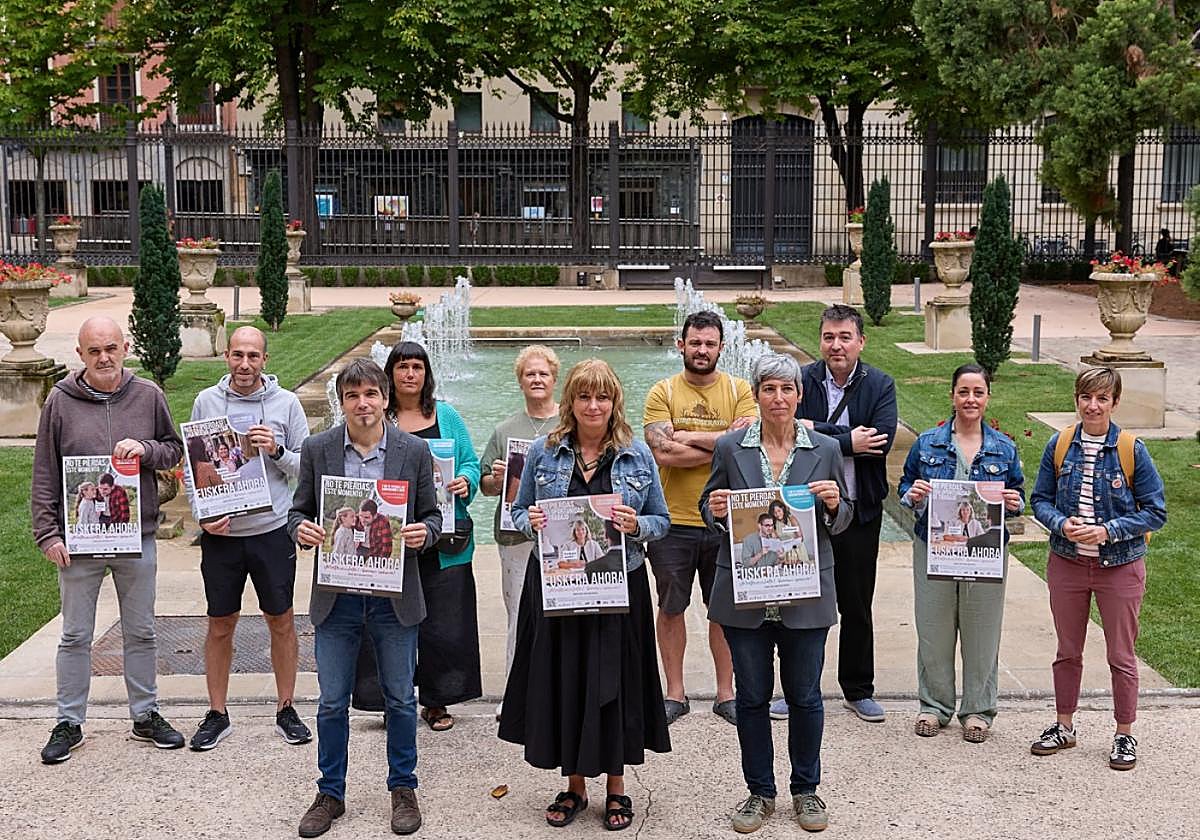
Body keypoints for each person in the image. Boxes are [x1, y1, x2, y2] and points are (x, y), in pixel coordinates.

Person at [500, 358, 671, 831]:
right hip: (556, 585)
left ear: (615, 402)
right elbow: (515, 511)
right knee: (566, 677)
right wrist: (528, 521)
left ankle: (616, 786)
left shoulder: (637, 454)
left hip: (620, 583)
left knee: (614, 680)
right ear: (570, 402)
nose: (593, 406)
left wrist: (637, 525)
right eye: (583, 396)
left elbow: (661, 520)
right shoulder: (542, 452)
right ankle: (574, 784)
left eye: (602, 397)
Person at [700, 353, 852, 834]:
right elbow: (709, 505)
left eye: (787, 389)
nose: (779, 398)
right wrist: (717, 508)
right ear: (757, 394)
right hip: (746, 596)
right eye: (769, 389)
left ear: (799, 394)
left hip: (806, 593)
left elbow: (843, 517)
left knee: (806, 696)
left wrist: (832, 504)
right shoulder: (730, 447)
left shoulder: (824, 449)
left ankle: (806, 790)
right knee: (751, 698)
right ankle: (759, 792)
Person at [290, 358, 442, 837]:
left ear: (384, 398)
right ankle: (330, 792)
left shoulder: (413, 451)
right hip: (337, 597)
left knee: (400, 699)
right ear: (342, 401)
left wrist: (424, 534)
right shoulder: (318, 450)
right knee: (332, 702)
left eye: (371, 394)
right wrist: (304, 530)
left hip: (394, 599)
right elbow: (296, 512)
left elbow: (434, 517)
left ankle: (403, 788)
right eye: (352, 395)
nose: (363, 404)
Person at [32, 316, 186, 763]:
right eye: (94, 350)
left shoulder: (148, 395)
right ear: (80, 354)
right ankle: (69, 721)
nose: (104, 357)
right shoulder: (60, 402)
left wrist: (145, 448)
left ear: (125, 348)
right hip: (78, 542)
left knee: (141, 631)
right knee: (75, 634)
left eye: (111, 348)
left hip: (135, 537)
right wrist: (47, 533)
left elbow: (172, 449)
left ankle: (145, 714)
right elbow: (45, 472)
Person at [1028, 367, 1166, 771]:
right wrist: (1060, 524)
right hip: (1068, 563)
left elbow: (1155, 511)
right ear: (1077, 399)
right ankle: (1064, 725)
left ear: (1114, 403)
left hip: (1119, 567)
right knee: (1067, 651)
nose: (1093, 405)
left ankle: (1124, 733)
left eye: (1102, 399)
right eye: (1087, 397)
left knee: (1121, 654)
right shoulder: (1060, 444)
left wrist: (1108, 531)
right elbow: (1040, 499)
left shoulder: (1131, 449)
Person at [184, 326, 312, 751]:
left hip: (270, 530)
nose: (244, 364)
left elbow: (305, 470)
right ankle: (217, 712)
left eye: (252, 356)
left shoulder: (286, 404)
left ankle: (286, 707)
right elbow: (192, 464)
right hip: (222, 534)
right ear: (226, 356)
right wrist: (202, 514)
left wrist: (276, 450)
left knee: (282, 620)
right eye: (237, 355)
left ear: (265, 360)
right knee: (221, 623)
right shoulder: (207, 401)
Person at [776, 304, 896, 725]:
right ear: (820, 340)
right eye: (829, 337)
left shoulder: (880, 383)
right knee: (802, 602)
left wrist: (816, 430)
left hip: (859, 509)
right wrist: (846, 439)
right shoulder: (802, 379)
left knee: (856, 603)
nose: (836, 345)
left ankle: (858, 689)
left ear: (860, 341)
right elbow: (790, 429)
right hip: (807, 509)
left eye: (845, 337)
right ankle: (796, 691)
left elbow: (880, 439)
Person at [897, 364, 1026, 743]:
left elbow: (1016, 496)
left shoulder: (1003, 448)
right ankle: (934, 707)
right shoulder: (928, 443)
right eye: (963, 392)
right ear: (952, 395)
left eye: (978, 392)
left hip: (984, 551)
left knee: (982, 630)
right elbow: (906, 486)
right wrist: (914, 494)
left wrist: (1013, 502)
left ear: (987, 397)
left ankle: (977, 710)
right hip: (935, 547)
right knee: (933, 627)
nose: (971, 399)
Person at [642, 309, 757, 726]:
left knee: (723, 609)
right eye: (695, 343)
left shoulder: (741, 390)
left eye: (710, 343)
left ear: (722, 347)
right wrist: (723, 441)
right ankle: (675, 691)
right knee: (671, 606)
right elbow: (661, 451)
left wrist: (687, 435)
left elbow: (749, 445)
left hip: (727, 519)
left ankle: (726, 692)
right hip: (672, 519)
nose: (702, 350)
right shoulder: (662, 392)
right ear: (682, 346)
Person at [386, 341, 482, 733]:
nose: (410, 374)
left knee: (444, 622)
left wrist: (467, 481)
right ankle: (393, 699)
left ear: (426, 374)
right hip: (393, 538)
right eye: (403, 367)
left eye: (417, 367)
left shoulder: (447, 415)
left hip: (444, 541)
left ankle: (437, 700)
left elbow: (472, 463)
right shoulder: (382, 418)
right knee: (392, 622)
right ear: (390, 373)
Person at [479, 344, 560, 718]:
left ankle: (555, 689)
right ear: (520, 381)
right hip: (515, 535)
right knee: (518, 614)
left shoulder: (568, 424)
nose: (537, 379)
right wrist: (496, 478)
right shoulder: (504, 430)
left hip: (558, 533)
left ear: (555, 378)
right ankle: (515, 694)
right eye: (530, 374)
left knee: (560, 613)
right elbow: (485, 487)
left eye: (543, 373)